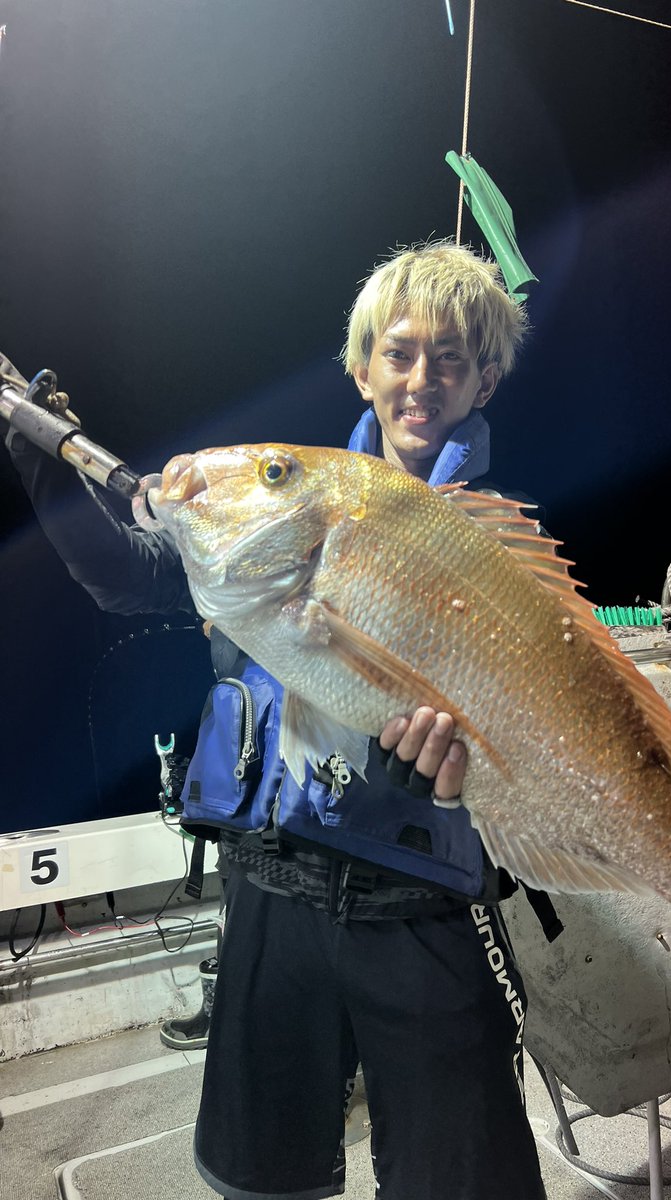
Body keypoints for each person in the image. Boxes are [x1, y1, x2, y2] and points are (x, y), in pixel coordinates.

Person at [7, 241, 548, 1200]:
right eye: (401, 352)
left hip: (419, 908)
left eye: (452, 359)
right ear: (362, 365)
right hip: (273, 893)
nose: (422, 379)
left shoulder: (493, 542)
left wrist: (457, 774)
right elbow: (128, 575)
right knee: (263, 1181)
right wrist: (47, 467)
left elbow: (523, 743)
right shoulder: (286, 514)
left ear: (486, 380)